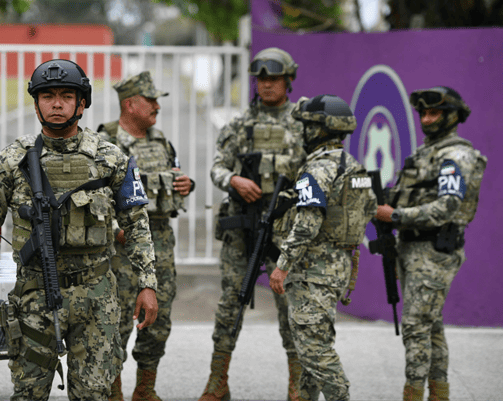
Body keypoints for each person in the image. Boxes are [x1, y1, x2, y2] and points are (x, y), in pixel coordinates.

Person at [0, 59, 159, 401]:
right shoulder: (11, 162)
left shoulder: (111, 160)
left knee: (94, 395)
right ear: (36, 103)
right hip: (33, 297)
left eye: (66, 95)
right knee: (29, 394)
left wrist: (147, 284)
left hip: (96, 298)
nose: (57, 103)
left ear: (82, 103)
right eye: (47, 96)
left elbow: (137, 226)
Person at [200, 47, 307, 401]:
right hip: (243, 228)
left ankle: (298, 383)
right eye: (261, 79)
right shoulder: (239, 124)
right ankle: (218, 381)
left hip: (287, 229)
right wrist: (233, 180)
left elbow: (320, 170)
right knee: (231, 304)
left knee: (291, 307)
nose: (266, 85)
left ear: (288, 80)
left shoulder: (305, 122)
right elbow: (216, 167)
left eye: (273, 78)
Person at [374, 86, 486, 401]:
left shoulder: (456, 154)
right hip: (411, 248)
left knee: (415, 326)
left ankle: (413, 395)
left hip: (435, 250)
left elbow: (448, 206)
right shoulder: (425, 153)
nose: (426, 118)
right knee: (430, 326)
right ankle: (439, 394)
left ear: (452, 115)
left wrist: (396, 216)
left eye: (433, 112)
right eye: (422, 112)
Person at [270, 94, 378, 401]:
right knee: (313, 342)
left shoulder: (316, 170)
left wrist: (282, 264)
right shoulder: (352, 166)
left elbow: (307, 223)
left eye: (307, 126)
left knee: (314, 349)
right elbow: (367, 209)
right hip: (337, 264)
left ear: (320, 129)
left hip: (313, 269)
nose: (303, 131)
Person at [97, 71, 194, 401]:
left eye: (157, 101)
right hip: (120, 250)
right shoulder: (105, 142)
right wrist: (115, 230)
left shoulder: (161, 140)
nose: (157, 107)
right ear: (129, 104)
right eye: (150, 100)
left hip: (160, 245)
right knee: (118, 320)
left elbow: (175, 176)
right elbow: (93, 198)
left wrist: (186, 185)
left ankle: (145, 389)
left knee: (159, 319)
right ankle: (114, 391)